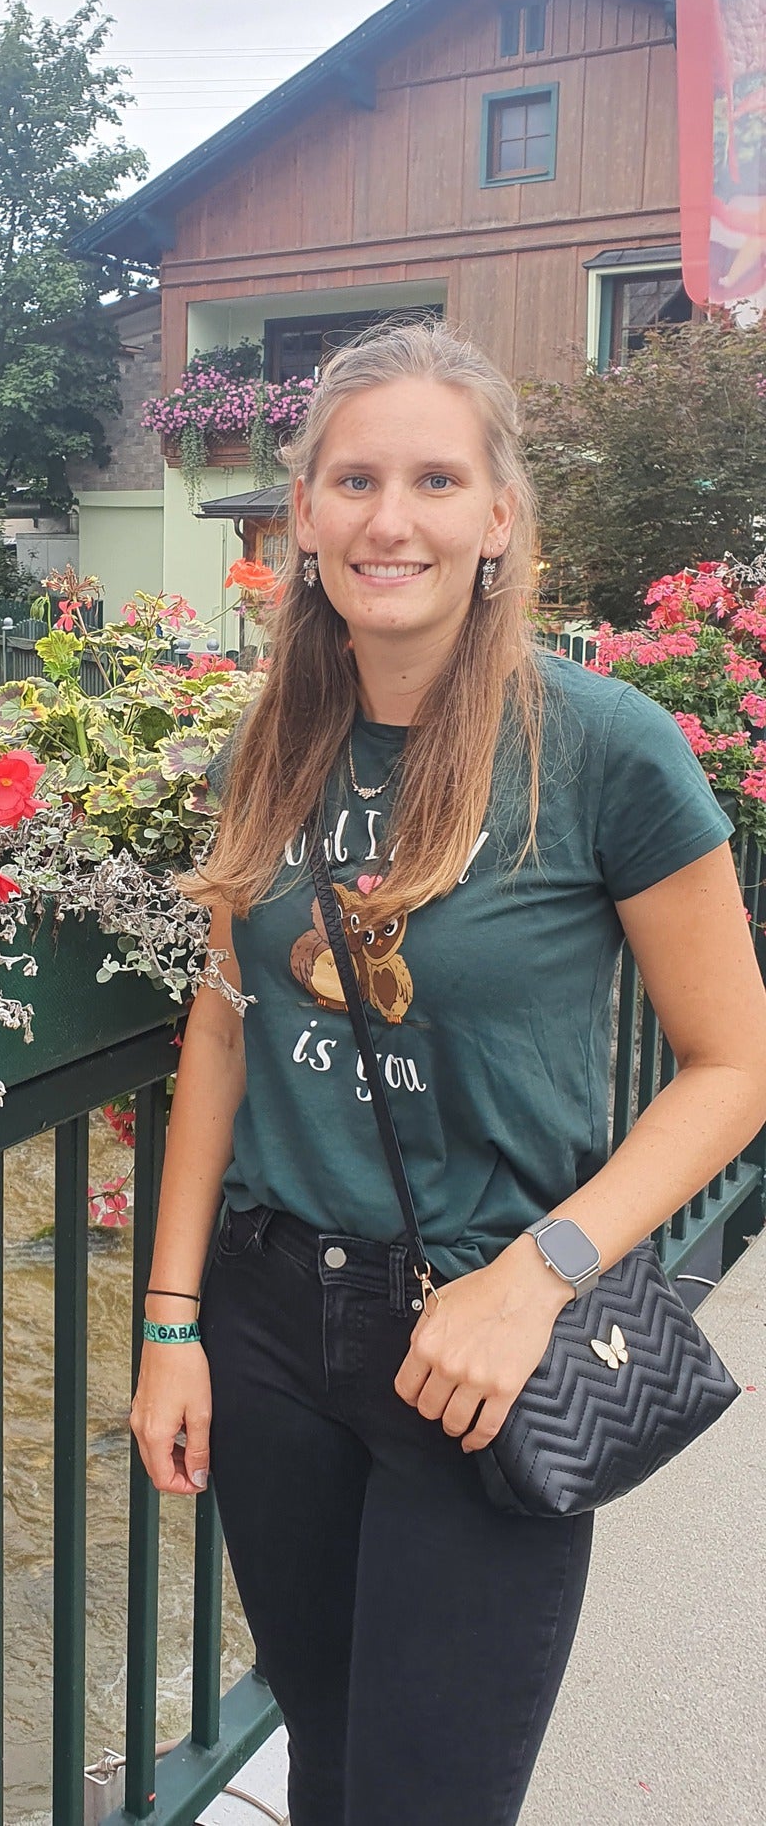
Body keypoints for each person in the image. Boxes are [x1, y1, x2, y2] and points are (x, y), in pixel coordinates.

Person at [129, 324, 766, 1826]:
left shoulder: (604, 749)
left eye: (434, 479)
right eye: (354, 480)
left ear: (498, 518)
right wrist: (171, 1320)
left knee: (429, 1799)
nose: (389, 519)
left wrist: (540, 1277)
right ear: (302, 515)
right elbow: (223, 1023)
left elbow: (735, 1066)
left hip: (481, 1346)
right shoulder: (271, 742)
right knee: (330, 1760)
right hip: (271, 1331)